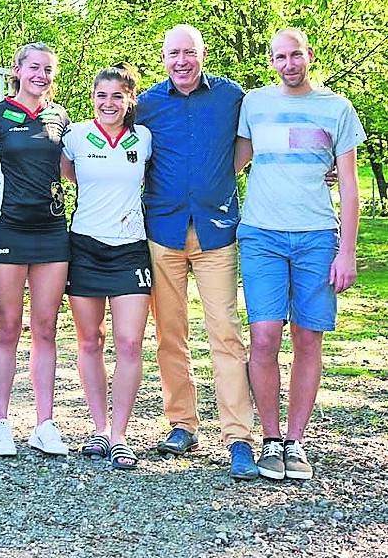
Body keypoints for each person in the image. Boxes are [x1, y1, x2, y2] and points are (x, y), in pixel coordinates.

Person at [235, 28, 364, 482]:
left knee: (309, 339)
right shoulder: (254, 104)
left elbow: (349, 185)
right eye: (280, 57)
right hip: (261, 236)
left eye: (295, 55)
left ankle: (296, 442)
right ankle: (269, 440)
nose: (288, 63)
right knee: (266, 337)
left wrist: (346, 251)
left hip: (316, 237)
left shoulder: (337, 108)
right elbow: (231, 162)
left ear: (309, 56)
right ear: (271, 61)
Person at [136, 24, 258, 480]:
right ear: (163, 58)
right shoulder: (146, 104)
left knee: (225, 333)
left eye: (189, 52)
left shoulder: (231, 97)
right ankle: (183, 423)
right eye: (173, 53)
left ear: (202, 55)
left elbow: (252, 137)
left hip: (216, 231)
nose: (181, 60)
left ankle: (238, 435)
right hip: (163, 231)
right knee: (170, 333)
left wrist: (221, 178)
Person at [61, 64, 153, 470]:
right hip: (85, 246)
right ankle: (99, 429)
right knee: (89, 341)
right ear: (92, 98)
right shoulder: (76, 137)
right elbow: (68, 173)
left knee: (130, 342)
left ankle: (120, 435)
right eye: (101, 95)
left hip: (131, 248)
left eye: (117, 96)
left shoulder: (144, 138)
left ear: (130, 99)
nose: (108, 103)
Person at [0, 43, 71, 457]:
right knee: (8, 326)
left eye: (48, 69)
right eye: (33, 67)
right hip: (9, 228)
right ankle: (1, 423)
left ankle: (44, 423)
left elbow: (71, 168)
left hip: (53, 231)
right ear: (17, 70)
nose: (41, 74)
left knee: (46, 327)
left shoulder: (60, 117)